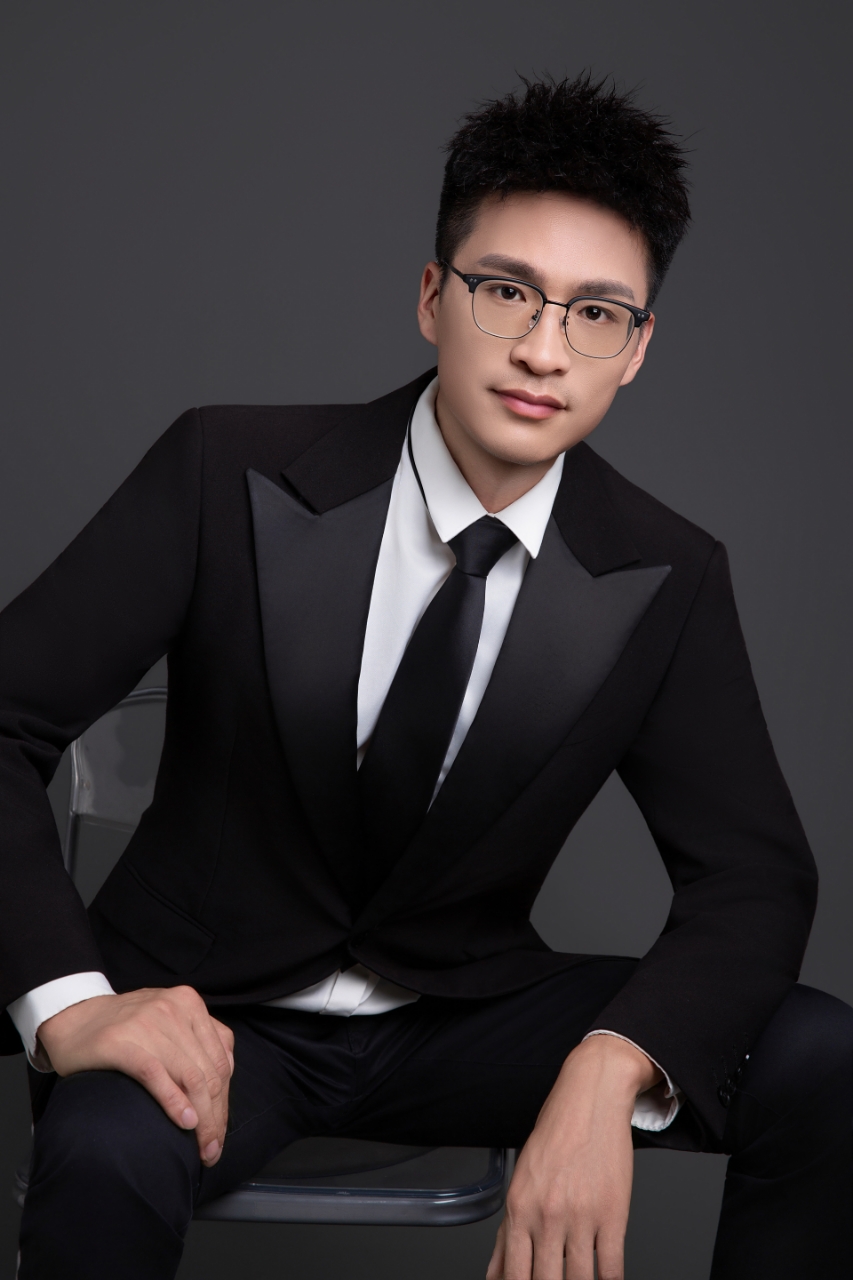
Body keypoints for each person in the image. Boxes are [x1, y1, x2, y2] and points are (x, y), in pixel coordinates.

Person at [0, 74, 849, 1280]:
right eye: (506, 292)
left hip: (462, 1015)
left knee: (819, 1055)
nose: (544, 350)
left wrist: (612, 1063)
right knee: (102, 1147)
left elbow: (754, 875)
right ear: (432, 297)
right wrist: (74, 1002)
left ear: (636, 349)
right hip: (202, 1011)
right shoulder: (224, 468)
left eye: (596, 313)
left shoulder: (667, 572)